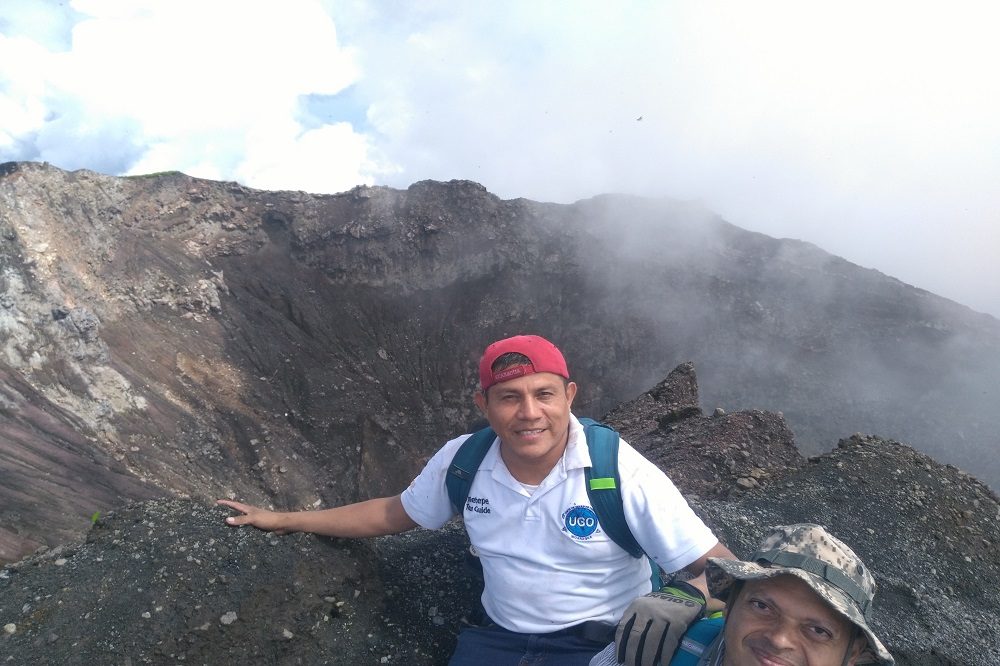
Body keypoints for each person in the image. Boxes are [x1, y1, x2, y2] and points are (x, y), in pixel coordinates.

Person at [218, 334, 734, 665]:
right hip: (497, 641)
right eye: (510, 397)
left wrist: (685, 599)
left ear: (570, 396)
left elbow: (724, 572)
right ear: (483, 404)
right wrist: (287, 519)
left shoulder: (616, 470)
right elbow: (394, 513)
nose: (529, 412)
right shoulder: (464, 460)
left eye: (544, 394)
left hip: (598, 645)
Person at [591, 523, 894, 666]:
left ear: (853, 653)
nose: (779, 639)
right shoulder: (655, 650)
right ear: (731, 604)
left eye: (818, 630)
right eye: (762, 606)